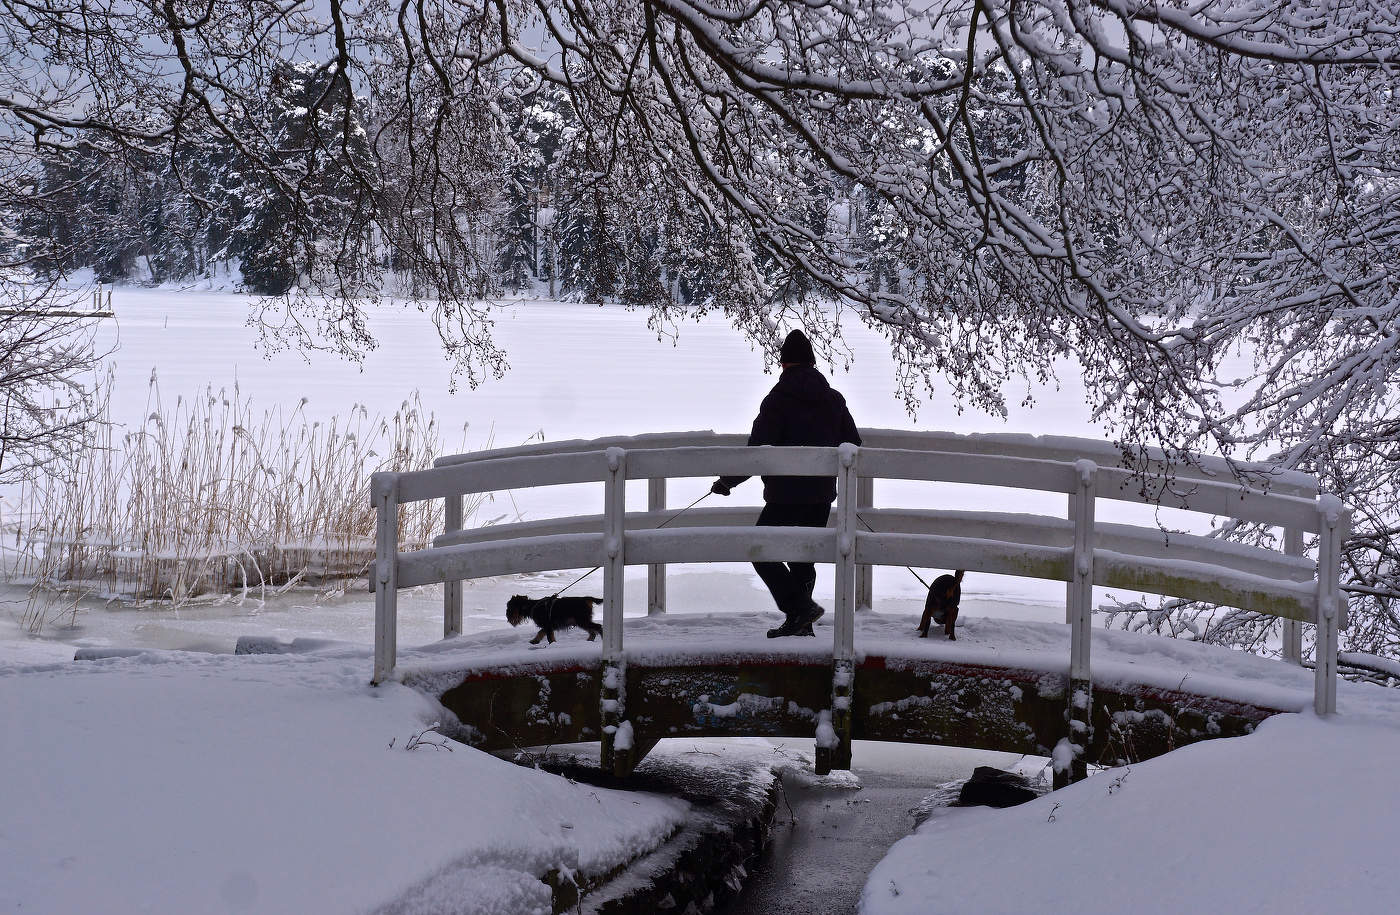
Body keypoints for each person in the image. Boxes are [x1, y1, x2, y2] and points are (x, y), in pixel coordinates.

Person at [710, 329, 862, 637]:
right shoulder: (833, 400)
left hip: (784, 497)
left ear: (784, 364)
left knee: (761, 550)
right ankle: (801, 623)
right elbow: (853, 443)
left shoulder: (777, 401)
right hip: (820, 496)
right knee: (803, 557)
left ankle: (798, 609)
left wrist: (728, 481)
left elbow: (758, 452)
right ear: (812, 362)